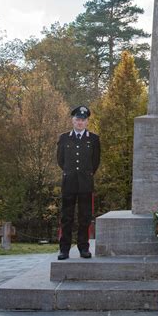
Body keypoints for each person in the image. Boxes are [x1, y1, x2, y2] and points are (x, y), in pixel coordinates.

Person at [56, 105, 101, 260]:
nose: (80, 122)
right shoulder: (64, 138)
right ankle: (64, 249)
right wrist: (71, 172)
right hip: (68, 183)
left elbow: (95, 162)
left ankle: (83, 248)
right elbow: (60, 160)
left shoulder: (94, 139)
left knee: (85, 217)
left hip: (85, 183)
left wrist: (85, 174)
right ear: (72, 120)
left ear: (87, 122)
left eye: (83, 120)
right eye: (77, 119)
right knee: (66, 217)